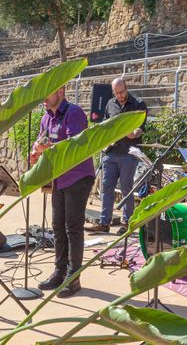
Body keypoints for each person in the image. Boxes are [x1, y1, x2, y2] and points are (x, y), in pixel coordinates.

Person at [30, 87, 95, 298]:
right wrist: (36, 151)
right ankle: (59, 272)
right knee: (58, 227)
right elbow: (42, 141)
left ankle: (73, 278)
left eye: (46, 94)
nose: (43, 99)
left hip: (77, 176)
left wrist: (46, 147)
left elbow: (73, 146)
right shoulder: (46, 118)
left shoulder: (74, 113)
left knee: (72, 229)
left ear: (60, 90)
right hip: (58, 179)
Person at [86, 78, 147, 235]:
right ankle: (104, 222)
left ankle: (128, 222)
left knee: (126, 188)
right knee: (106, 187)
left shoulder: (138, 104)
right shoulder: (110, 104)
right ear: (113, 91)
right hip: (111, 153)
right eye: (117, 92)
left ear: (127, 88)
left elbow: (139, 131)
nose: (120, 95)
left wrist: (127, 130)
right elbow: (106, 124)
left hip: (128, 153)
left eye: (122, 92)